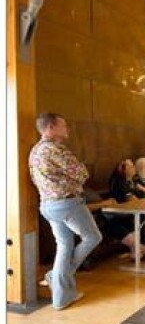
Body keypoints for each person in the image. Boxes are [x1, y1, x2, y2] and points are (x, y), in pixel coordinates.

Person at [29, 113, 103, 310]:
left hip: (47, 205)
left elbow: (37, 180)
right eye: (64, 125)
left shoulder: (35, 151)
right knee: (92, 237)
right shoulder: (56, 149)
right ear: (51, 127)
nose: (67, 128)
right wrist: (75, 177)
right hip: (67, 204)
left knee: (64, 245)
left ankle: (61, 298)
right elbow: (82, 173)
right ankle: (57, 276)